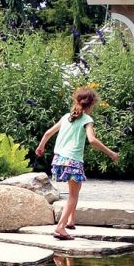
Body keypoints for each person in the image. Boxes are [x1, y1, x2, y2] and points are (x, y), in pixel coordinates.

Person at [36, 86, 119, 240]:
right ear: (92, 104)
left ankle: (71, 220)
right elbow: (92, 140)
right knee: (74, 195)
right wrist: (111, 153)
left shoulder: (66, 117)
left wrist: (41, 147)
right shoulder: (87, 120)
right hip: (73, 161)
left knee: (73, 191)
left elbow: (48, 133)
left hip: (58, 159)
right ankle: (60, 227)